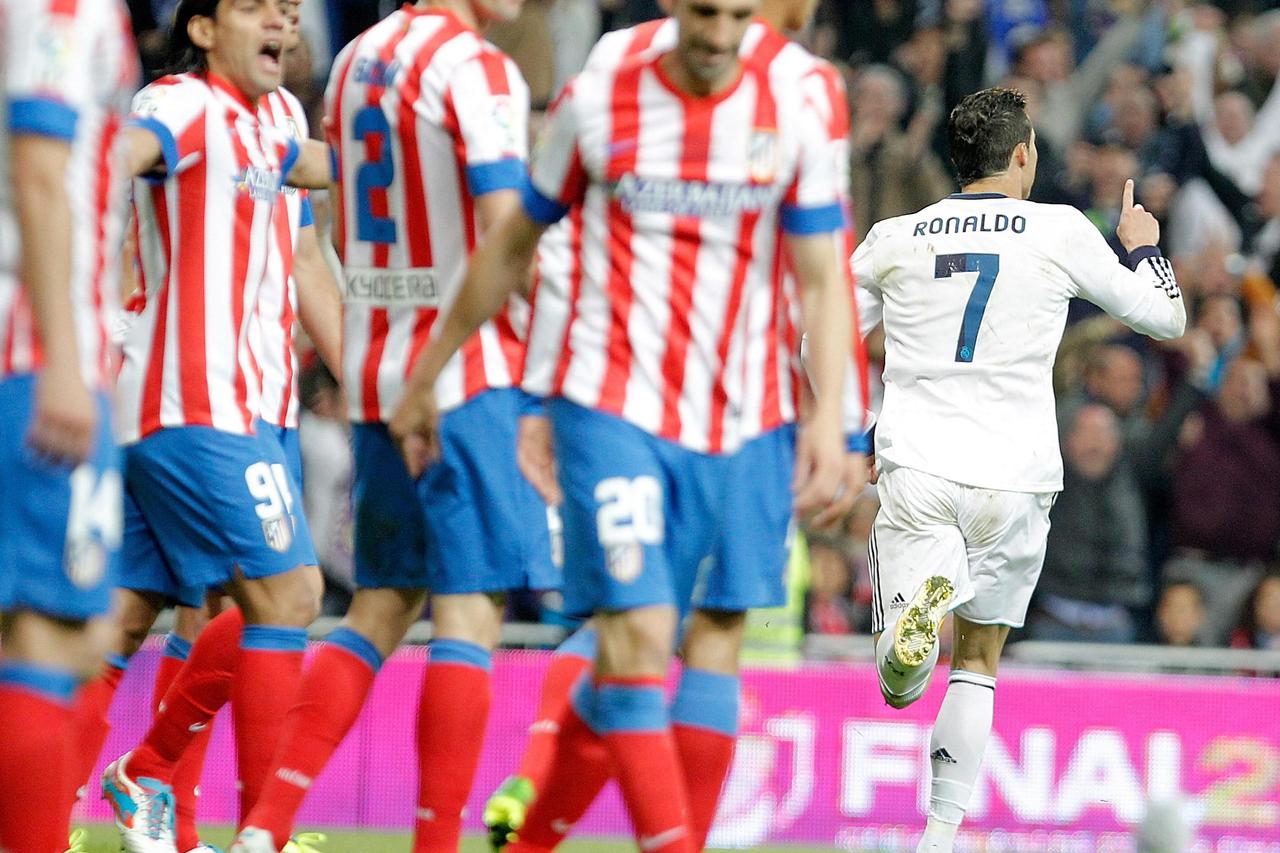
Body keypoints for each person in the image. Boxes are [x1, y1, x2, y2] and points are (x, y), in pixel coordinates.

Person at [388, 0, 855, 849]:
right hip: (612, 404)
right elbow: (517, 245)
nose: (720, 34)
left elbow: (821, 275)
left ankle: (530, 840)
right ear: (675, 6)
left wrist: (837, 419)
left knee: (712, 633)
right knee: (637, 634)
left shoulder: (800, 98)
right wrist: (434, 371)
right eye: (705, 13)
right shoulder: (602, 91)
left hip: (747, 415)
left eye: (738, 15)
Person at [229, 1, 559, 851]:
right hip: (467, 374)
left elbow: (336, 210)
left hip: (376, 371)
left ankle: (265, 825)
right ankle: (434, 843)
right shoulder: (478, 68)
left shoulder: (354, 61)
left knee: (378, 607)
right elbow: (504, 234)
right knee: (469, 612)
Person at [849, 86, 1186, 853]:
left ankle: (912, 628)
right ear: (1025, 155)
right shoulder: (1060, 228)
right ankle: (939, 834)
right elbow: (1165, 316)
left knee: (900, 682)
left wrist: (853, 417)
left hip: (920, 460)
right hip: (1017, 475)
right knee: (980, 661)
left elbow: (820, 333)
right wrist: (1141, 244)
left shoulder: (895, 234)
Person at [86, 0, 332, 848]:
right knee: (290, 594)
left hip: (257, 406)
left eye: (292, 10)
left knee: (126, 613)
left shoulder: (284, 121)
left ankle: (62, 817)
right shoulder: (182, 104)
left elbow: (308, 237)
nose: (285, 22)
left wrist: (373, 383)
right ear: (202, 29)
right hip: (194, 401)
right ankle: (252, 821)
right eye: (259, 7)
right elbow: (123, 154)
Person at [0, 0, 136, 849]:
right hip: (34, 350)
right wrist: (59, 357)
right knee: (51, 636)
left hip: (48, 346)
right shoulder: (60, 6)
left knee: (81, 637)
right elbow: (40, 172)